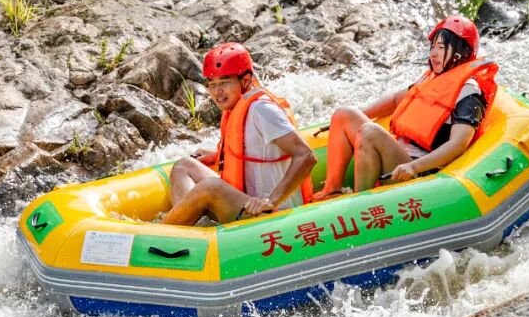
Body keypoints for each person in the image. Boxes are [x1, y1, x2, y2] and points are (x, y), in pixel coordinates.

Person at [312, 15, 498, 201]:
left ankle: (358, 202)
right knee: (345, 114)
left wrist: (413, 167)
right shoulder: (432, 79)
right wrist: (357, 117)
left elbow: (458, 144)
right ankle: (332, 190)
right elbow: (394, 101)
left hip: (422, 173)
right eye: (432, 47)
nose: (433, 53)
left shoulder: (469, 91)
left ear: (462, 52)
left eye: (441, 48)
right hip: (400, 158)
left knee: (370, 132)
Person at [164, 42, 316, 226]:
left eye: (224, 83)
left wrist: (271, 201)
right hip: (243, 201)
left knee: (212, 187)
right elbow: (254, 149)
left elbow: (306, 156)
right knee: (183, 166)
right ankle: (190, 232)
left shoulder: (262, 110)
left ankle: (158, 234)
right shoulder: (237, 106)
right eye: (212, 84)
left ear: (245, 80)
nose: (217, 92)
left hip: (271, 213)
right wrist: (218, 154)